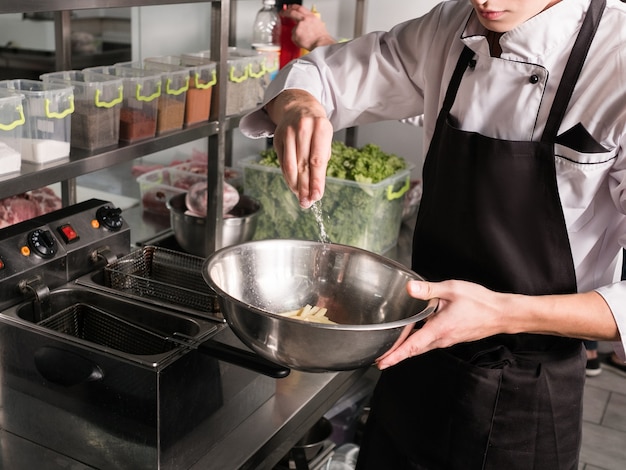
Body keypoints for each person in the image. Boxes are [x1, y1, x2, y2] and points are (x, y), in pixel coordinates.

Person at [241, 0, 626, 468]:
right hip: (414, 356)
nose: (485, 3)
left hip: (524, 395)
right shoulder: (449, 26)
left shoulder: (617, 55)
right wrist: (300, 104)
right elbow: (325, 74)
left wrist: (504, 311)